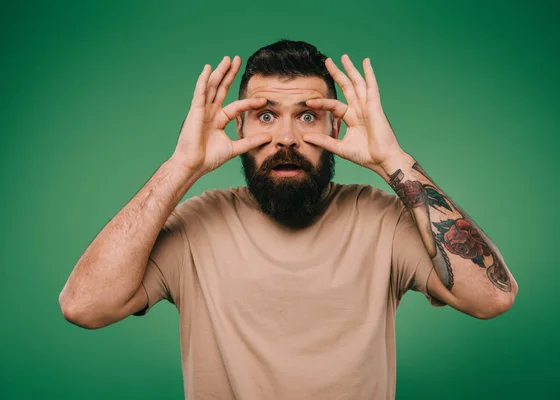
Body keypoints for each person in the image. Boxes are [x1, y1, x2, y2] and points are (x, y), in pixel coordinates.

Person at [59, 39, 518, 399]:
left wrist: (392, 160)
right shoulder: (197, 224)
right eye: (264, 115)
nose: (285, 137)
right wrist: (181, 167)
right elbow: (84, 306)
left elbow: (492, 298)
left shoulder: (382, 220)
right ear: (238, 128)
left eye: (308, 116)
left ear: (335, 128)